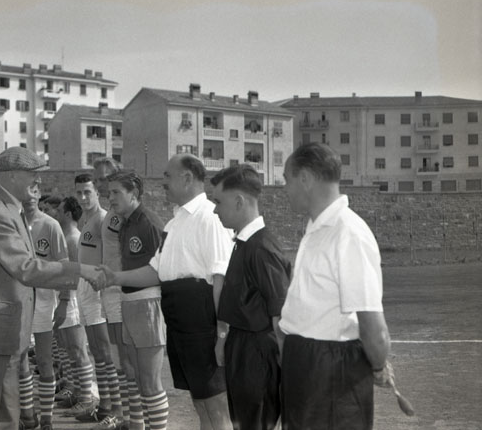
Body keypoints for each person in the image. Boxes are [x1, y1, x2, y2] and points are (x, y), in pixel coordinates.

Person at [0, 147, 103, 430]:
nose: (38, 182)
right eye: (32, 175)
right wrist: (80, 271)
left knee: (5, 416)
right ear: (12, 176)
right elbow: (25, 268)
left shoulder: (8, 209)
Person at [96, 154, 234, 430]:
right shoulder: (175, 223)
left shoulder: (210, 218)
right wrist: (115, 277)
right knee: (201, 402)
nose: (163, 183)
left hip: (203, 321)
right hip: (180, 320)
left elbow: (222, 279)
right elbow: (156, 270)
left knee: (216, 405)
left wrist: (222, 335)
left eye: (168, 176)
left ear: (187, 178)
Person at [279, 142, 393, 430]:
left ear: (305, 178)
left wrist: (378, 364)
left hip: (332, 369)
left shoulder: (348, 233)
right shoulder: (318, 229)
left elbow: (373, 325)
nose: (285, 189)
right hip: (306, 362)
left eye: (287, 179)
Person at [210, 165, 291, 430]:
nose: (215, 210)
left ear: (238, 201)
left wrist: (288, 371)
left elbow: (280, 314)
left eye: (218, 202)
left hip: (257, 354)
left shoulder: (261, 248)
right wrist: (225, 339)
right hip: (243, 348)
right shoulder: (244, 243)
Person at [106, 171, 168, 430]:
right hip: (129, 301)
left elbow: (162, 270)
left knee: (150, 382)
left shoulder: (149, 223)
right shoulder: (126, 224)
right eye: (109, 193)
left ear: (133, 194)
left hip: (148, 303)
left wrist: (115, 278)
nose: (110, 198)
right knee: (137, 377)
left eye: (116, 192)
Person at [68, 173, 122, 425]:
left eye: (87, 192)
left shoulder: (103, 219)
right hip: (84, 288)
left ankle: (115, 409)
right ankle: (103, 406)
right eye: (79, 192)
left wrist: (103, 285)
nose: (83, 197)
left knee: (105, 352)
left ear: (97, 193)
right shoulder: (86, 220)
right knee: (97, 353)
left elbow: (112, 253)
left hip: (98, 289)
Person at [18, 192, 69, 430]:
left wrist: (65, 300)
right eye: (25, 191)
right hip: (18, 300)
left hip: (44, 300)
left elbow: (64, 265)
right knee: (19, 360)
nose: (29, 197)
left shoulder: (50, 225)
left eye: (34, 191)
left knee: (44, 359)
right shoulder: (12, 222)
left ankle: (47, 419)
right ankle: (28, 416)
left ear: (38, 194)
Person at [44, 195, 94, 413]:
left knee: (78, 348)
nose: (54, 213)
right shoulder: (64, 236)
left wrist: (65, 300)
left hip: (72, 298)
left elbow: (73, 275)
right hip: (63, 297)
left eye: (59, 210)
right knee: (66, 346)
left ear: (67, 213)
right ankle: (74, 389)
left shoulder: (74, 239)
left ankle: (87, 397)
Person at [93, 157, 133, 430]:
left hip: (120, 291)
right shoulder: (110, 213)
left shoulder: (121, 214)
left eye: (104, 178)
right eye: (97, 179)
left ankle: (129, 417)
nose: (99, 184)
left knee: (125, 359)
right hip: (109, 290)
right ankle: (123, 414)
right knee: (118, 359)